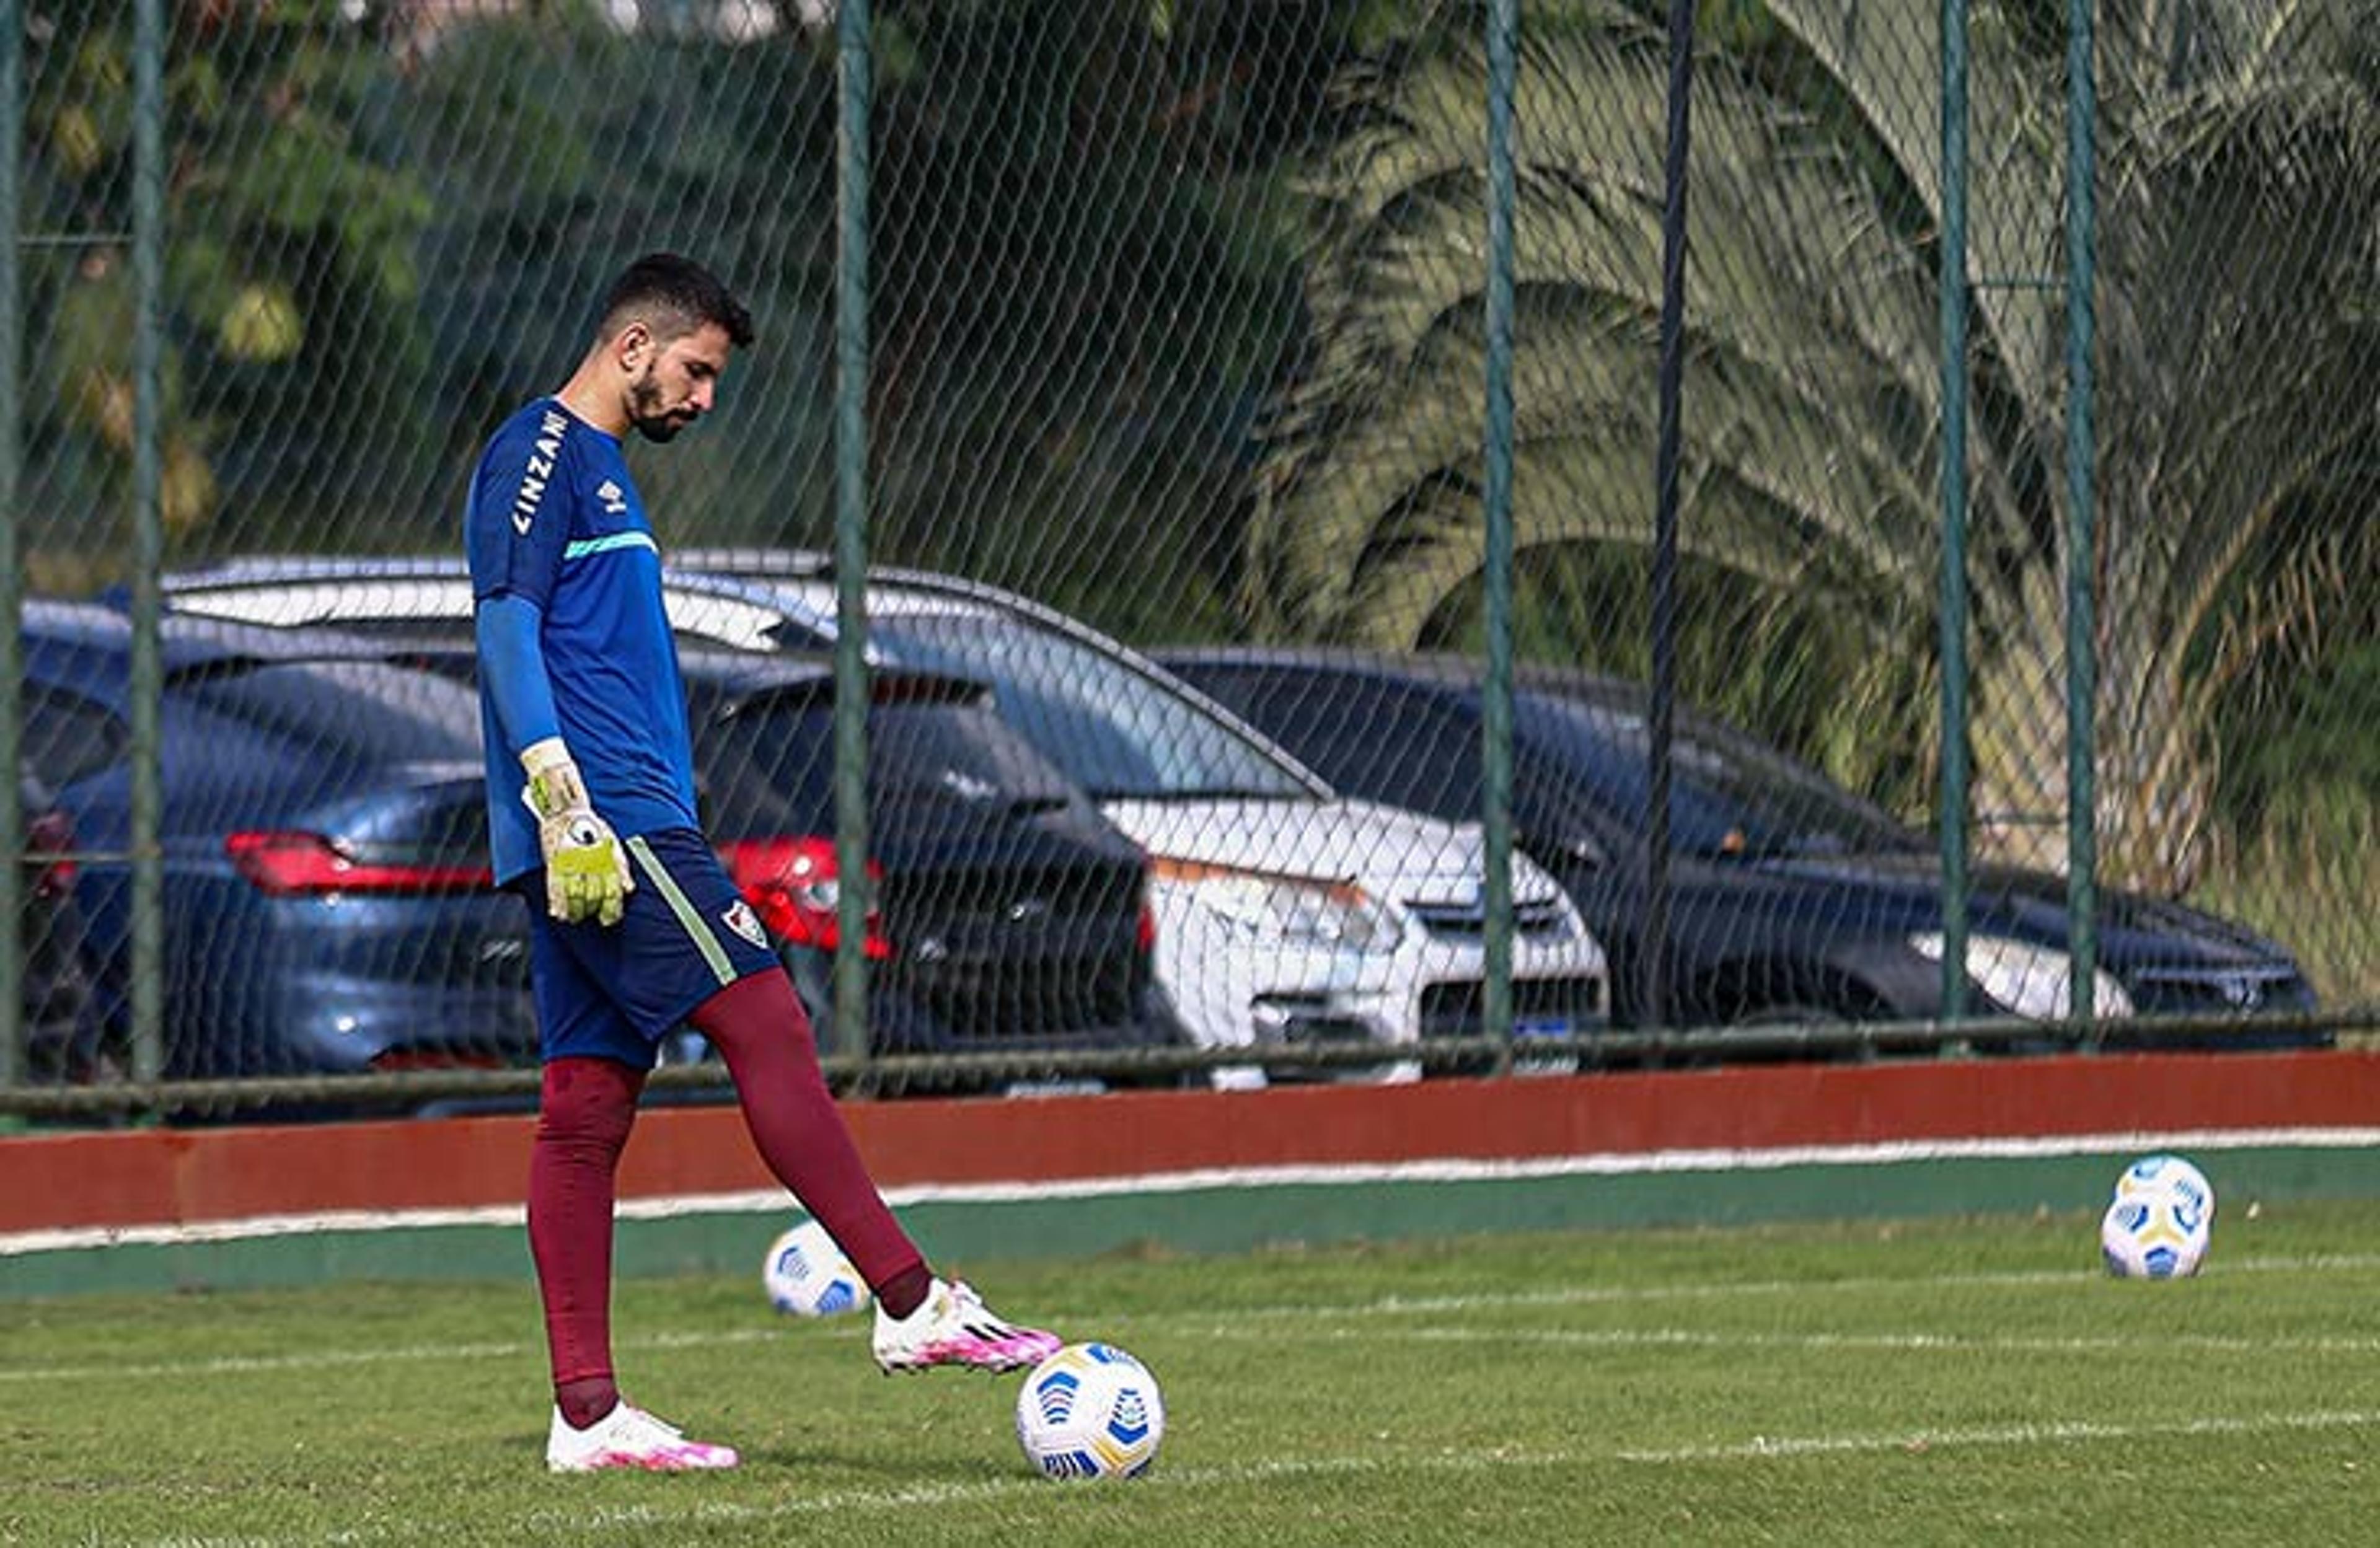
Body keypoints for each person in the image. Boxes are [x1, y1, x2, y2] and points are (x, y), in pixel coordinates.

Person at [464, 252, 1061, 1474]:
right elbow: (504, 623)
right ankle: (911, 1304)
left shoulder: (612, 474)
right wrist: (564, 797)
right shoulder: (541, 452)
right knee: (771, 1024)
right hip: (612, 825)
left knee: (584, 1111)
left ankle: (586, 1417)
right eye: (697, 369)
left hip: (602, 824)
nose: (704, 397)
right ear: (633, 346)